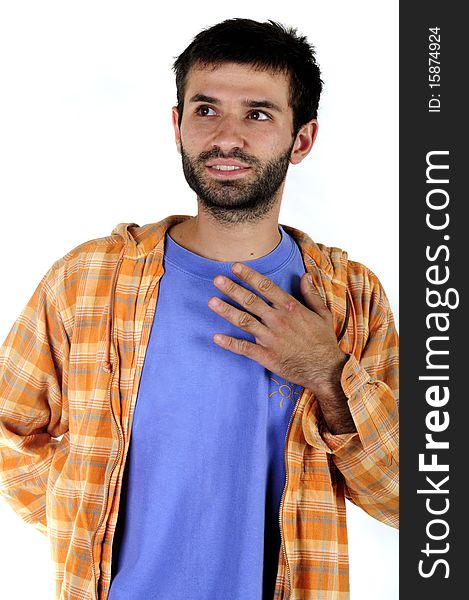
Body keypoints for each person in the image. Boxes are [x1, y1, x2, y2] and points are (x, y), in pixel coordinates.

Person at [0, 18, 398, 600]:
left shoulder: (349, 298)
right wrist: (84, 514)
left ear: (302, 139)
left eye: (258, 114)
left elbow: (414, 502)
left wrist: (329, 374)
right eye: (206, 110)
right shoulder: (89, 281)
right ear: (177, 124)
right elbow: (9, 430)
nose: (226, 137)